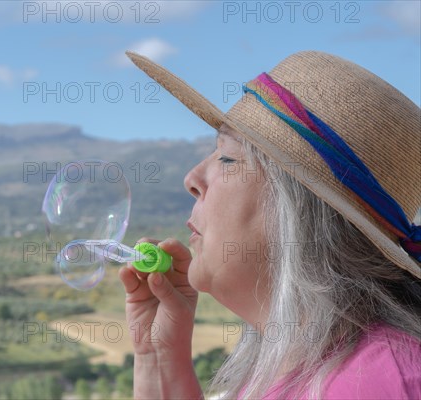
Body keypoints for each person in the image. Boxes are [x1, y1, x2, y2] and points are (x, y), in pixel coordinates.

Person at [119, 51, 421, 399]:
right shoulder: (302, 368)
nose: (192, 178)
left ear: (301, 211)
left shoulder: (378, 384)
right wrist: (161, 360)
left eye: (229, 157)